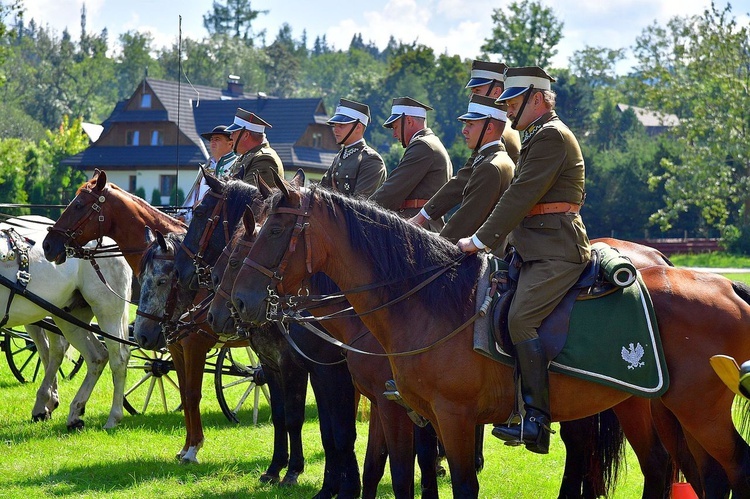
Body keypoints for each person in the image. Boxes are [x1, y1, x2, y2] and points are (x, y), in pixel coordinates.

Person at [456, 66, 591, 455]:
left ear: (536, 98)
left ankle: (535, 418)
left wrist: (480, 239)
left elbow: (521, 197)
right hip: (533, 248)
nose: (508, 111)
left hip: (556, 251)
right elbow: (517, 195)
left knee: (521, 319)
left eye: (513, 102)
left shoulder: (550, 136)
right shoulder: (537, 136)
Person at [410, 94, 515, 243]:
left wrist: (438, 244)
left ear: (489, 128)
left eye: (470, 125)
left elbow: (465, 220)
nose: (464, 131)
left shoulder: (489, 167)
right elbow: (458, 183)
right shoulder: (494, 159)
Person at [370, 96, 451, 232]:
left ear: (408, 121)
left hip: (417, 228)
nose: (394, 134)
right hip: (421, 225)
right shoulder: (430, 143)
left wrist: (360, 211)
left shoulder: (422, 145)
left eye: (395, 127)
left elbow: (392, 190)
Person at [321, 98, 387, 198]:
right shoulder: (340, 156)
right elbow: (322, 190)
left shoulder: (371, 159)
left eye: (341, 125)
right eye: (335, 125)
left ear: (358, 127)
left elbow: (360, 205)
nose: (335, 130)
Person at [466, 60, 521, 164]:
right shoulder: (502, 123)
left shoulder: (495, 129)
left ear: (496, 92)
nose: (471, 97)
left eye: (477, 91)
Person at [181, 125, 236, 222]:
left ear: (230, 144)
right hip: (198, 221)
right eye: (211, 139)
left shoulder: (236, 166)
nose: (212, 142)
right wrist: (184, 216)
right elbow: (193, 197)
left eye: (217, 139)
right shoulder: (206, 167)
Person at [225, 108, 284, 187]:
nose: (231, 136)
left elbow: (246, 195)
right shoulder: (249, 156)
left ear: (246, 135)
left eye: (234, 132)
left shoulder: (264, 159)